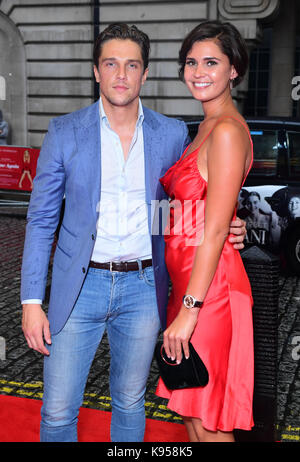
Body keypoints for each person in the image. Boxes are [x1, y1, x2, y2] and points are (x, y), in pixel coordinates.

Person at [21, 23, 246, 443]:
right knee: (56, 411)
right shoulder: (65, 131)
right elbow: (40, 219)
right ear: (95, 71)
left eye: (131, 65)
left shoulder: (173, 133)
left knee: (129, 402)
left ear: (145, 74)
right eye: (111, 64)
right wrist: (32, 301)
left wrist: (235, 222)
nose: (121, 75)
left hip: (145, 287)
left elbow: (195, 195)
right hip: (79, 286)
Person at [156, 20, 254, 442]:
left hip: (209, 295)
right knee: (193, 416)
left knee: (209, 421)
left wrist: (190, 309)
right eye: (191, 62)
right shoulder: (204, 129)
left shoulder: (228, 131)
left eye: (211, 62)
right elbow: (189, 214)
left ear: (234, 69)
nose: (198, 71)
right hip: (191, 286)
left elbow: (214, 231)